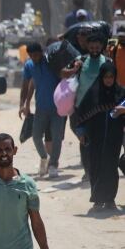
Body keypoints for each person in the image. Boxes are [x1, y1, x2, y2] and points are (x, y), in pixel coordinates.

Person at [74, 61, 123, 211]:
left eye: (111, 77)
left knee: (111, 167)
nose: (108, 80)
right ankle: (97, 199)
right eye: (106, 77)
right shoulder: (92, 94)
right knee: (95, 166)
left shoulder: (121, 93)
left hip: (114, 138)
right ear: (101, 77)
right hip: (94, 138)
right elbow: (81, 114)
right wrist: (81, 132)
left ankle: (110, 199)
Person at [67, 32, 109, 181]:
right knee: (84, 141)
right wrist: (73, 69)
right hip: (82, 109)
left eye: (97, 47)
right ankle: (88, 171)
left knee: (101, 142)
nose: (94, 50)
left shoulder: (107, 62)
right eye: (91, 47)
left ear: (102, 47)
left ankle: (99, 172)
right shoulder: (80, 60)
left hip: (101, 109)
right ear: (87, 47)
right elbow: (63, 73)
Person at [19, 42, 65, 178]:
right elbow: (26, 85)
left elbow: (64, 79)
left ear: (41, 52)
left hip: (57, 108)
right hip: (41, 108)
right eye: (31, 56)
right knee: (36, 136)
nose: (34, 58)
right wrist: (23, 104)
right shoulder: (29, 66)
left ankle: (53, 164)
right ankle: (44, 158)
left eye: (37, 55)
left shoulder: (51, 63)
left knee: (57, 137)